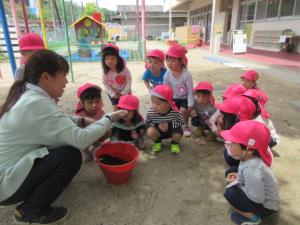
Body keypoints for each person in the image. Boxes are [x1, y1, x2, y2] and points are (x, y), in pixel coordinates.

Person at [0, 50, 126, 224]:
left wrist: (81, 119)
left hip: (8, 171)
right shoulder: (35, 102)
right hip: (5, 183)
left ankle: (40, 190)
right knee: (70, 155)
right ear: (46, 77)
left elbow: (57, 120)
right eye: (63, 75)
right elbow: (81, 139)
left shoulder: (27, 94)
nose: (67, 81)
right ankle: (29, 211)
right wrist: (108, 119)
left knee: (62, 148)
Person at [222, 121, 279, 225]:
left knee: (230, 193)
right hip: (260, 193)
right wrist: (239, 178)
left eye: (232, 143)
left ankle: (254, 218)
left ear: (250, 149)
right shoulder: (248, 157)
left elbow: (257, 198)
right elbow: (244, 173)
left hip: (266, 207)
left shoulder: (252, 170)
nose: (227, 144)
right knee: (230, 172)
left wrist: (237, 184)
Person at [163, 44, 194, 137]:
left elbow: (190, 91)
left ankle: (184, 126)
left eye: (173, 61)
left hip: (184, 97)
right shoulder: (167, 74)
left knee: (183, 110)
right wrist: (168, 101)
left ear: (181, 61)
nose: (169, 63)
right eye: (167, 60)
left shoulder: (186, 75)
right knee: (170, 111)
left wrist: (190, 103)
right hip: (173, 97)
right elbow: (166, 89)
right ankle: (174, 125)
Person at [146, 84, 184, 154]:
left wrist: (169, 125)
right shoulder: (151, 113)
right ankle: (157, 143)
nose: (154, 106)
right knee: (150, 131)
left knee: (178, 133)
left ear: (168, 104)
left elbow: (181, 122)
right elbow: (148, 123)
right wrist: (157, 126)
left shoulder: (175, 112)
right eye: (153, 102)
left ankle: (174, 144)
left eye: (158, 103)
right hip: (158, 132)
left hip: (172, 131)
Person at [75, 82, 106, 161]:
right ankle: (84, 150)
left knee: (99, 151)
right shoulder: (79, 116)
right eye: (90, 102)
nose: (94, 105)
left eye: (97, 101)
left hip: (96, 136)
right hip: (84, 138)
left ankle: (96, 145)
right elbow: (78, 133)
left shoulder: (101, 112)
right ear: (82, 103)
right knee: (86, 158)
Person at [101, 43, 132, 111]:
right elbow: (105, 83)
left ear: (117, 59)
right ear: (104, 61)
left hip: (125, 91)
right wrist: (112, 93)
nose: (110, 61)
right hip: (113, 92)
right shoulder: (105, 72)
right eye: (107, 59)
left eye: (112, 58)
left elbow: (129, 79)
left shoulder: (123, 69)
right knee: (115, 108)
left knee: (127, 107)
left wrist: (124, 92)